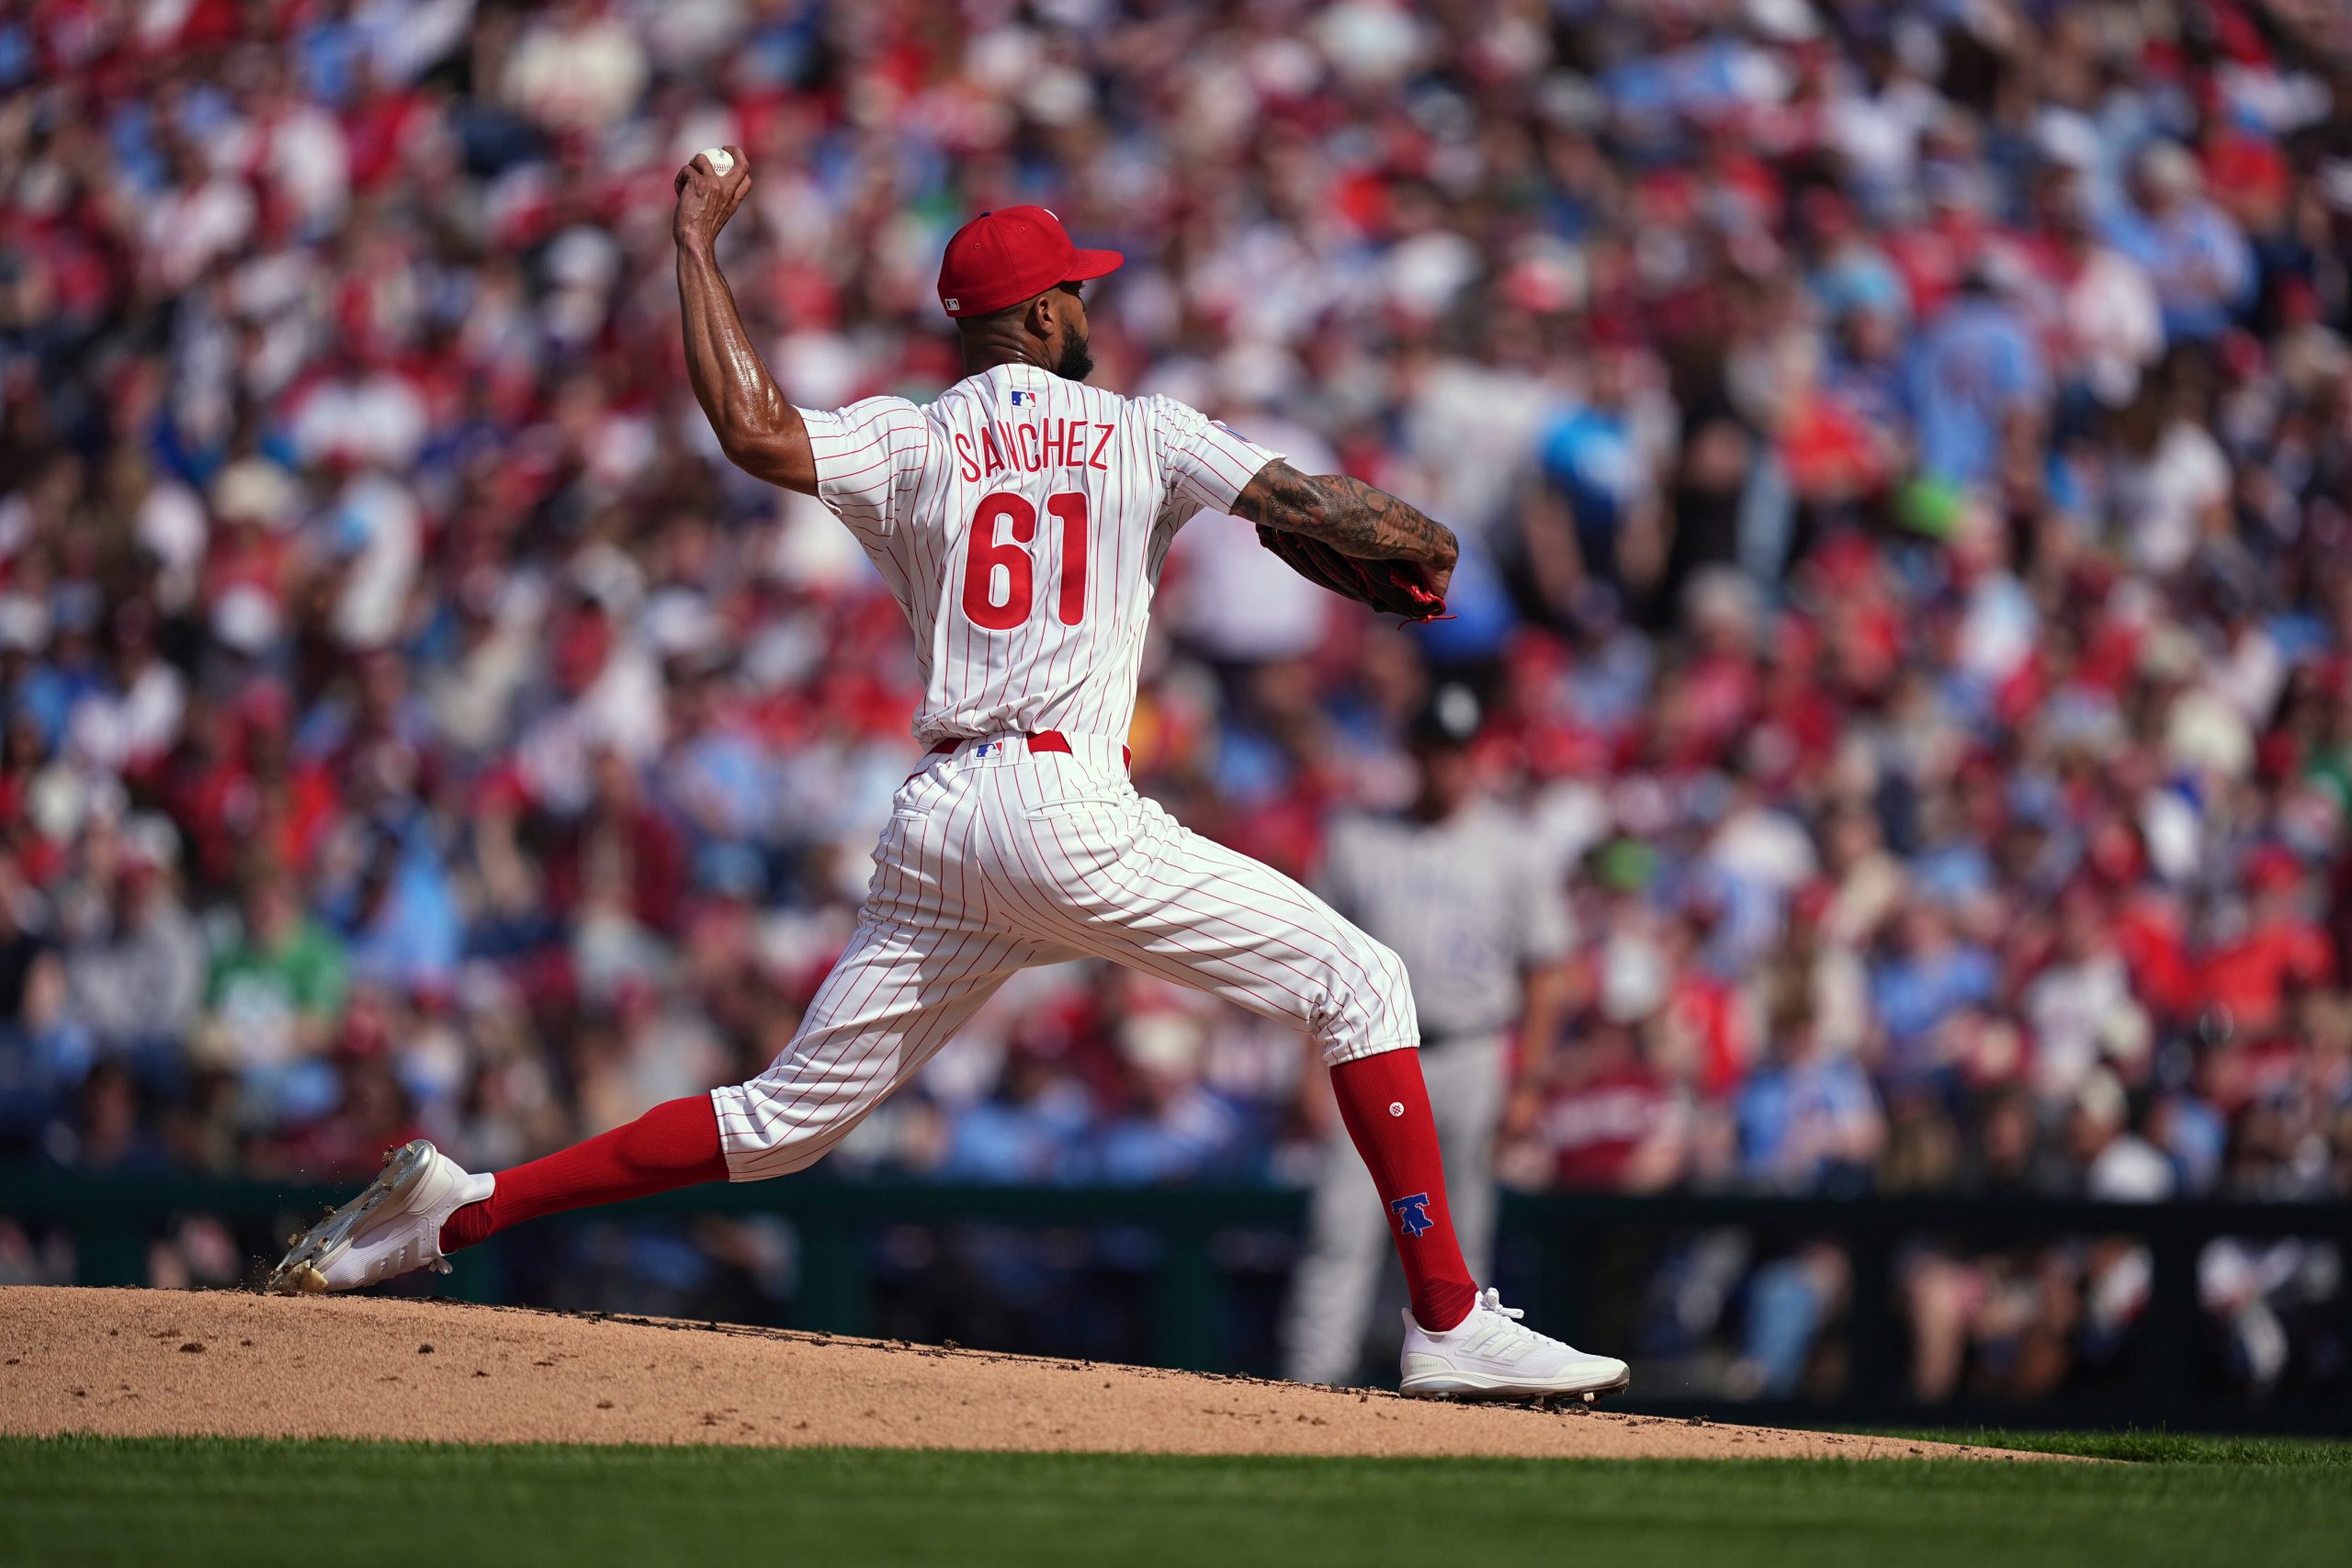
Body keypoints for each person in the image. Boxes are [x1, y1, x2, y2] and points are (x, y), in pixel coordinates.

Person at [268, 150, 1628, 1402]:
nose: (1089, 306)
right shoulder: (1141, 427)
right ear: (1037, 317)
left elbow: (750, 428)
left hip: (942, 825)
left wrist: (693, 242)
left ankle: (457, 1205)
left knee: (782, 1119)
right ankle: (1449, 1317)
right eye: (1074, 291)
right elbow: (1336, 517)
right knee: (1364, 979)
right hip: (1060, 805)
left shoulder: (913, 438)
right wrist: (1419, 556)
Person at [1280, 684, 1573, 1384]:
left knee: (1460, 1236)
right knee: (1339, 1227)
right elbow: (1312, 962)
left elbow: (1546, 973)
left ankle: (1458, 1376)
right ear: (1413, 753)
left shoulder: (1514, 846)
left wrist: (1529, 1080)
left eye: (1459, 751)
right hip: (1366, 1054)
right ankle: (1313, 1381)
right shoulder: (1359, 837)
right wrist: (1304, 1070)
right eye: (1435, 749)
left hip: (1470, 1050)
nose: (1447, 765)